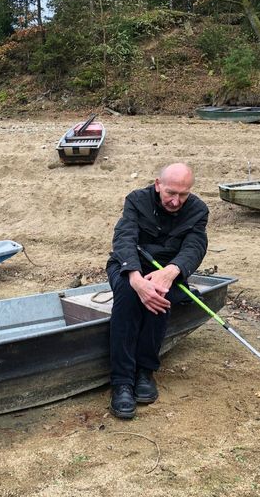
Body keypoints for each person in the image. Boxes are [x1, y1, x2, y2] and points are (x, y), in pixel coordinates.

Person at [106, 163, 208, 419]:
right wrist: (135, 278)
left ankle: (145, 372)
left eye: (182, 195)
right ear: (157, 184)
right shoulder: (136, 200)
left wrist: (172, 271)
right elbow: (124, 237)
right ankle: (121, 382)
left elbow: (194, 247)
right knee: (129, 297)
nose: (176, 201)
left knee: (160, 297)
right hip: (129, 266)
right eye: (170, 193)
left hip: (169, 271)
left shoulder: (198, 211)